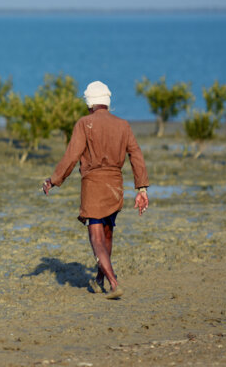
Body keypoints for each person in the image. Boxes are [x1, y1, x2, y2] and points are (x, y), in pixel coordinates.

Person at [42, 81, 149, 299]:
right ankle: (99, 279)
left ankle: (113, 282)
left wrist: (54, 180)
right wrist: (142, 189)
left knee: (96, 236)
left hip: (93, 185)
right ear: (107, 102)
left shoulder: (85, 123)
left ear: (89, 103)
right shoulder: (123, 125)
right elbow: (136, 155)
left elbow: (72, 156)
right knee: (108, 232)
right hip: (116, 187)